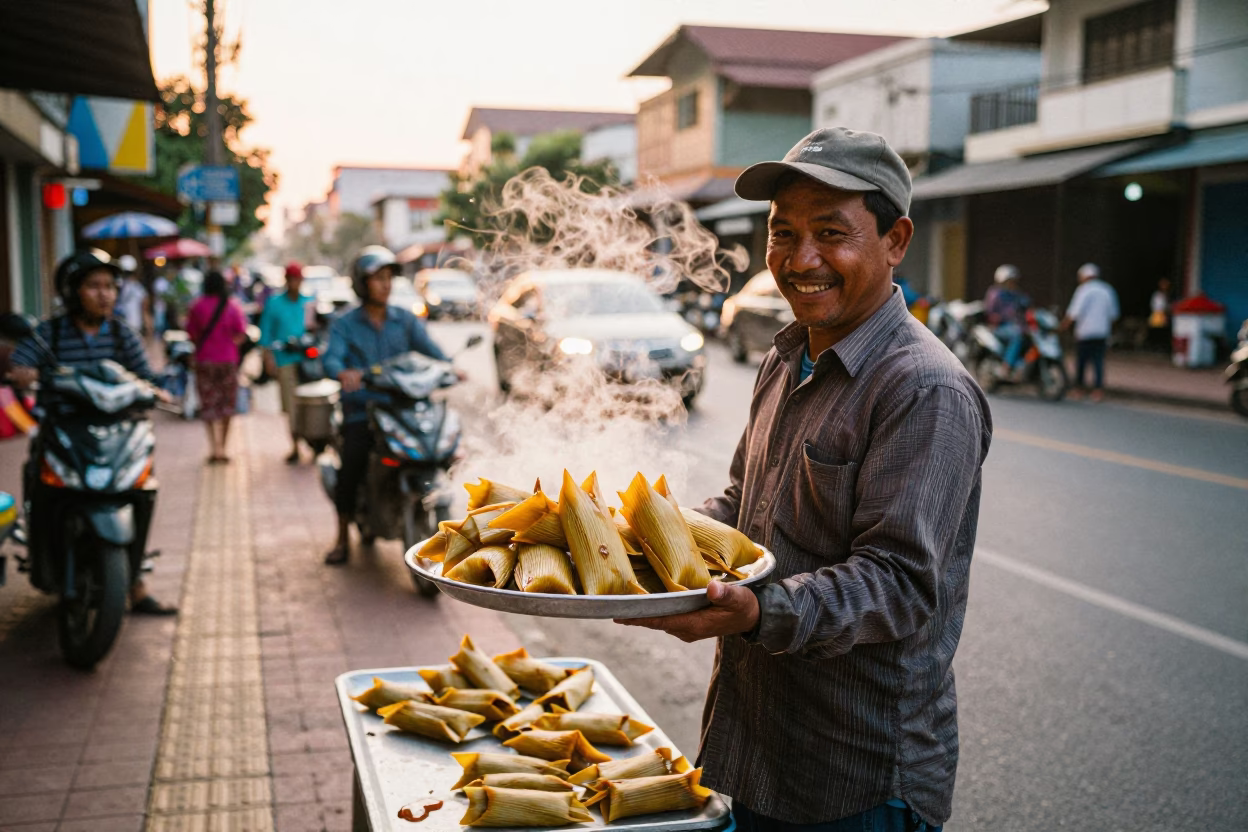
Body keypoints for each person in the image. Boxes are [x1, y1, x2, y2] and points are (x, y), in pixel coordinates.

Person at [622, 128, 991, 832]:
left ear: (896, 240)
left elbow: (898, 583)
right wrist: (654, 539)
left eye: (831, 232)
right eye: (782, 232)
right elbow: (743, 504)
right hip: (761, 746)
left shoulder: (923, 389)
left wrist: (760, 612)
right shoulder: (789, 354)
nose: (801, 259)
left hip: (856, 779)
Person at [7, 249, 177, 615]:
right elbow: (21, 360)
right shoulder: (50, 333)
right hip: (64, 431)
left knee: (144, 487)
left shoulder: (121, 334)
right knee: (39, 479)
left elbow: (145, 375)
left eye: (109, 286)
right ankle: (44, 555)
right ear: (72, 292)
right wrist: (26, 373)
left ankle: (135, 580)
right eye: (93, 286)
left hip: (118, 432)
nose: (104, 294)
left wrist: (160, 386)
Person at [321, 245, 452, 565]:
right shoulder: (345, 323)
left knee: (439, 446)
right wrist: (343, 373)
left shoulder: (405, 320)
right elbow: (331, 358)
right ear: (362, 284)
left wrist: (450, 367)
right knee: (351, 464)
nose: (385, 284)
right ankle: (341, 537)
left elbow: (433, 351)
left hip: (402, 407)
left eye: (388, 277)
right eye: (378, 278)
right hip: (363, 411)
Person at [185, 270, 248, 463]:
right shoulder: (232, 306)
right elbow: (241, 333)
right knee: (227, 404)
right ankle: (224, 447)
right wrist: (228, 345)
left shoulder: (197, 307)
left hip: (205, 361)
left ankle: (214, 447)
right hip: (228, 361)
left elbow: (191, 333)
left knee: (209, 404)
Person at [259, 262, 312, 463]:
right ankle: (295, 445)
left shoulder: (308, 302)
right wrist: (268, 359)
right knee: (291, 407)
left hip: (308, 361)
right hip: (285, 361)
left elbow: (316, 330)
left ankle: (314, 440)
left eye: (298, 279)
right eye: (292, 279)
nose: (295, 283)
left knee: (311, 403)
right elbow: (265, 335)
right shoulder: (274, 303)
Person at [1064, 262, 1120, 402]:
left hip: (1085, 332)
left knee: (1082, 362)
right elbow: (1114, 315)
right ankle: (1098, 391)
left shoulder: (1083, 290)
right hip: (1102, 332)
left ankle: (1078, 389)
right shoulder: (1107, 290)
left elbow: (1073, 313)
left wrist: (1062, 327)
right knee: (1098, 362)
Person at [983, 264, 1030, 379]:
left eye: (1014, 281)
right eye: (1010, 281)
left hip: (1016, 326)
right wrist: (998, 317)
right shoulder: (995, 293)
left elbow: (1027, 304)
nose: (1012, 284)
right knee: (1017, 335)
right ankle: (1006, 366)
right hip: (999, 327)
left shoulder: (1016, 294)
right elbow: (989, 313)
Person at [115, 254, 148, 336]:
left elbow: (144, 307)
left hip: (131, 324)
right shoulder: (117, 285)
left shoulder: (137, 287)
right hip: (125, 323)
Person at [1149, 278, 1172, 351]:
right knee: (1157, 331)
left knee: (1163, 332)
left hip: (1164, 315)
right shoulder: (1158, 295)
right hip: (1158, 315)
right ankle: (1155, 347)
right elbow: (1156, 306)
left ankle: (1161, 347)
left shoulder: (1166, 295)